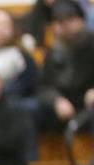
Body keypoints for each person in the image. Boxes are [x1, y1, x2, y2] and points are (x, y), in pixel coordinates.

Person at [36, 0, 94, 133]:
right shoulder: (52, 52)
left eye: (70, 19)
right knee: (30, 110)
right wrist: (56, 100)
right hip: (64, 106)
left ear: (81, 21)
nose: (65, 26)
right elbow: (43, 87)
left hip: (89, 105)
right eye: (59, 22)